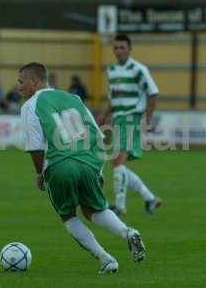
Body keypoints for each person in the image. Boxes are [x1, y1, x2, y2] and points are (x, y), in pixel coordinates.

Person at [19, 62, 146, 274]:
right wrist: (99, 170)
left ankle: (106, 259)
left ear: (34, 81)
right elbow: (97, 134)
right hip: (88, 161)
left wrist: (40, 174)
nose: (19, 87)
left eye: (21, 82)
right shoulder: (74, 99)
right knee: (93, 209)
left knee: (68, 215)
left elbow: (35, 146)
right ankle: (127, 231)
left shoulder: (30, 106)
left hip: (60, 164)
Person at [98, 34, 162, 215]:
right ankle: (150, 199)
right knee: (119, 164)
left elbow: (153, 93)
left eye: (122, 47)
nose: (118, 51)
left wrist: (148, 118)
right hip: (118, 118)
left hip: (131, 117)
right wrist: (104, 115)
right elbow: (113, 97)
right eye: (116, 47)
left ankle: (119, 206)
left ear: (129, 49)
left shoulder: (138, 69)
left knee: (117, 161)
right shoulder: (111, 70)